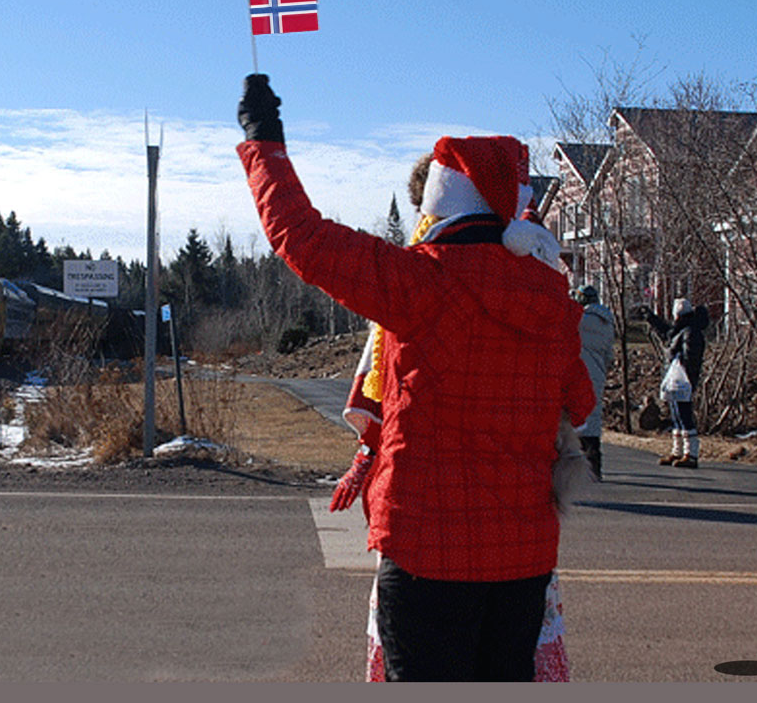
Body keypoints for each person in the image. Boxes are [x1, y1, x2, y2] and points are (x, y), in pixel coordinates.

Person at [236, 74, 594, 682]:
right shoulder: (554, 299)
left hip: (427, 553)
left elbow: (302, 235)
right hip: (522, 561)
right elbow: (580, 405)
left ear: (440, 203)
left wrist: (264, 141)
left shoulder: (416, 281)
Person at [644, 298, 708, 467]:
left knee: (684, 414)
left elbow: (690, 357)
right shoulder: (683, 329)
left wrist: (685, 373)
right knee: (676, 415)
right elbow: (667, 333)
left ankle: (691, 453)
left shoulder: (689, 332)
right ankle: (677, 451)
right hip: (678, 380)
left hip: (683, 380)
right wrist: (652, 319)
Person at [575, 285, 616, 480]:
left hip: (579, 372)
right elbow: (609, 354)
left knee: (575, 418)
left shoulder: (579, 320)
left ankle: (575, 467)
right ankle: (594, 466)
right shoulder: (608, 322)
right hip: (597, 374)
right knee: (593, 418)